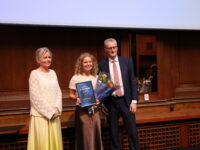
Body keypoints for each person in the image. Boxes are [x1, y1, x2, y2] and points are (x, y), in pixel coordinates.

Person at [99, 38, 140, 150]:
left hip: (126, 102)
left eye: (114, 47)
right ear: (105, 50)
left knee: (132, 131)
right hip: (111, 103)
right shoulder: (101, 65)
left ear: (117, 48)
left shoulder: (127, 61)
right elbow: (103, 86)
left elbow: (132, 81)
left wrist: (134, 101)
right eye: (110, 48)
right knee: (113, 132)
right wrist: (102, 104)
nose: (112, 50)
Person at [27, 47, 63, 150]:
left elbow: (58, 92)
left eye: (49, 57)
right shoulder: (34, 74)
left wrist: (57, 108)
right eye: (45, 57)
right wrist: (50, 112)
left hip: (55, 116)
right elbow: (35, 97)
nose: (48, 59)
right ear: (38, 60)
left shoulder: (53, 72)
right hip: (41, 117)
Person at [68, 52, 103, 150]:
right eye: (85, 62)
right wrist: (77, 98)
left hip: (95, 111)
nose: (88, 64)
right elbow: (70, 94)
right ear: (81, 64)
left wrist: (99, 100)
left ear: (93, 63)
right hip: (82, 111)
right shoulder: (75, 77)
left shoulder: (97, 77)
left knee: (96, 133)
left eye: (90, 62)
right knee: (85, 136)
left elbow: (101, 93)